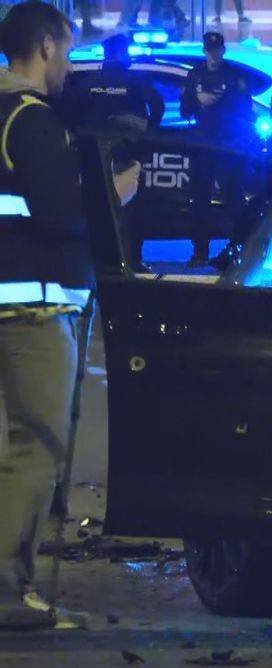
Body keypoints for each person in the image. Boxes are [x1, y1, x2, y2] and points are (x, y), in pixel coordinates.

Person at [0, 1, 139, 631]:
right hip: (34, 309)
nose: (73, 64)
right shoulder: (31, 120)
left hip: (18, 301)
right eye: (71, 49)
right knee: (39, 448)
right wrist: (120, 189)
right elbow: (62, 215)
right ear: (47, 47)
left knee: (25, 447)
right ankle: (7, 590)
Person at [65, 33, 162, 272]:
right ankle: (132, 260)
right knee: (132, 211)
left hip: (92, 160)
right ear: (120, 53)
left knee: (96, 209)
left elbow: (70, 115)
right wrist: (148, 132)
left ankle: (97, 259)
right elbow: (158, 107)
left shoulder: (88, 83)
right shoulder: (135, 81)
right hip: (127, 157)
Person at [181, 31, 253, 266]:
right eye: (210, 50)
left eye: (217, 50)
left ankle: (239, 248)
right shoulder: (195, 76)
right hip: (202, 144)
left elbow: (245, 110)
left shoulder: (233, 77)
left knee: (234, 199)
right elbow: (184, 109)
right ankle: (200, 252)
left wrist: (225, 104)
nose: (214, 54)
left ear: (222, 50)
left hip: (227, 146)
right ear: (204, 51)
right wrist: (197, 99)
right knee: (200, 201)